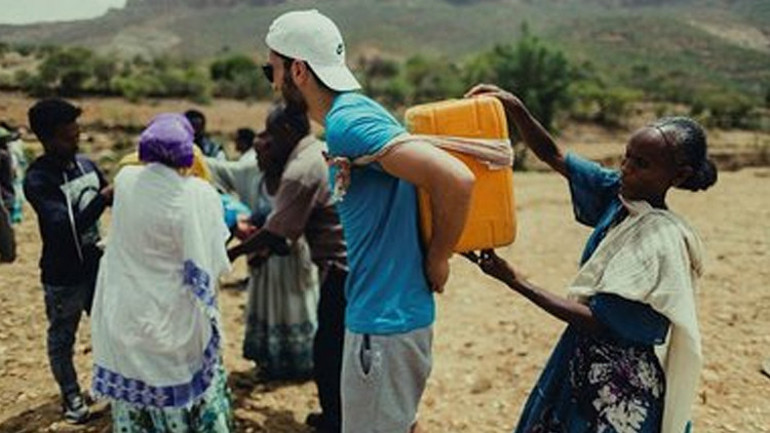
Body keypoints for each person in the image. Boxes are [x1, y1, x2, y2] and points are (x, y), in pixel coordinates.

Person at [263, 10, 476, 433]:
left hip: (383, 322)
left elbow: (456, 179)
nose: (271, 82)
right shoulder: (356, 113)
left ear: (298, 70)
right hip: (391, 316)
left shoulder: (348, 123)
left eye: (271, 70)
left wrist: (440, 258)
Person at [463, 84, 717, 433]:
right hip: (579, 361)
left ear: (679, 175)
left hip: (617, 390)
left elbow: (601, 321)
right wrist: (515, 107)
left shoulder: (660, 240)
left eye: (641, 164)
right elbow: (553, 155)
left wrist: (515, 280)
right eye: (627, 157)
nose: (626, 168)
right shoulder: (619, 197)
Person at [90, 113, 234, 432]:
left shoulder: (126, 180)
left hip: (129, 312)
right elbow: (213, 257)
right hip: (177, 318)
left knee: (137, 388)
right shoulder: (198, 194)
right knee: (182, 388)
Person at [228, 105, 348, 432]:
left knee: (328, 352)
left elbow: (277, 231)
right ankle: (336, 414)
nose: (265, 141)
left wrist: (233, 253)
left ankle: (335, 420)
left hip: (340, 269)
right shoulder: (320, 151)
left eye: (270, 133)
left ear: (286, 132)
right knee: (336, 347)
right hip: (350, 262)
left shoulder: (300, 169)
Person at [206, 111, 320, 382]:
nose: (256, 159)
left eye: (261, 154)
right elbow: (214, 170)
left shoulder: (295, 177)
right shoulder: (252, 175)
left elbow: (282, 231)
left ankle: (301, 365)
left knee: (295, 308)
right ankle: (270, 363)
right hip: (263, 263)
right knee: (266, 309)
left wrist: (236, 252)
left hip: (293, 261)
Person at [24, 98, 113, 424]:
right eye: (67, 137)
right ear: (46, 139)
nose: (75, 142)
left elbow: (113, 196)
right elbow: (63, 227)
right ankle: (71, 394)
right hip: (63, 275)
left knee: (109, 327)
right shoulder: (38, 180)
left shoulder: (86, 165)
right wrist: (102, 200)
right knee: (63, 338)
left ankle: (112, 385)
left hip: (96, 266)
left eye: (77, 134)